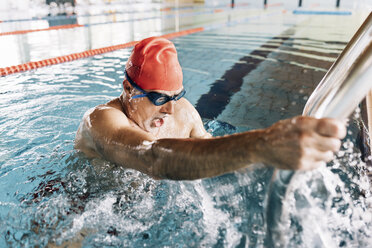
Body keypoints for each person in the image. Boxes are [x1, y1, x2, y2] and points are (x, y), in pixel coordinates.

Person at [74, 37, 346, 180]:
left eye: (176, 96)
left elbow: (217, 156)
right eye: (158, 98)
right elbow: (152, 158)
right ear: (128, 89)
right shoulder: (102, 121)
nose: (169, 110)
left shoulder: (184, 113)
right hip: (82, 203)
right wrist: (260, 144)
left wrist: (280, 158)